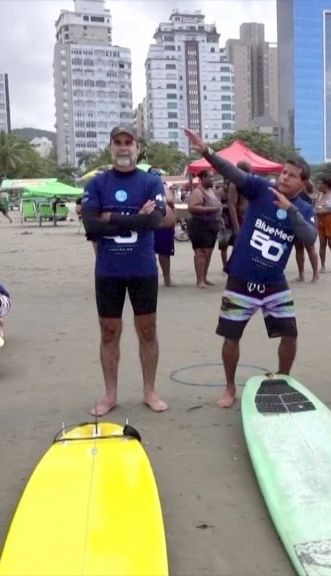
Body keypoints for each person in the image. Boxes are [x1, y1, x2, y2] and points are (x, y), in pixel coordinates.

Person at [184, 128, 317, 409]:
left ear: (303, 183)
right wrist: (206, 151)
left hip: (274, 282)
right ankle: (230, 387)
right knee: (231, 336)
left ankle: (283, 379)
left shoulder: (304, 209)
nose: (284, 178)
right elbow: (234, 173)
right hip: (242, 278)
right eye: (283, 172)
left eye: (292, 176)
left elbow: (309, 238)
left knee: (290, 334)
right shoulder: (260, 190)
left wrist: (290, 210)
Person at [81, 125, 168, 415]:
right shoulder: (97, 183)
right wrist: (132, 218)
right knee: (109, 332)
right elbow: (91, 225)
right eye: (117, 142)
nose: (123, 148)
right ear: (111, 148)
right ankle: (110, 395)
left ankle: (149, 391)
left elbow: (155, 221)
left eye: (128, 142)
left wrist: (110, 216)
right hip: (108, 270)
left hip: (142, 268)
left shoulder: (151, 182)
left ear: (137, 148)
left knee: (147, 329)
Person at [187, 170, 224, 288]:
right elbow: (192, 207)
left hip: (212, 226)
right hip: (200, 225)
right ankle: (199, 281)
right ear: (202, 178)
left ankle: (204, 278)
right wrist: (211, 209)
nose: (212, 179)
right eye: (210, 177)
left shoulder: (211, 191)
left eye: (213, 177)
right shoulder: (198, 191)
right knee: (201, 253)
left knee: (208, 253)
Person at [150, 166, 177, 287]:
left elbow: (171, 203)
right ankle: (151, 279)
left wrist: (174, 220)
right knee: (150, 254)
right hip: (152, 225)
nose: (157, 176)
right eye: (155, 174)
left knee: (165, 254)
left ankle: (167, 278)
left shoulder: (165, 187)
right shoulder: (146, 188)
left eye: (158, 174)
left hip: (166, 226)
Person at [294, 179, 321, 283]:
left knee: (310, 247)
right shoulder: (294, 184)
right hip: (296, 215)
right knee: (298, 247)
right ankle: (301, 274)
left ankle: (316, 274)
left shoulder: (307, 183)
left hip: (307, 215)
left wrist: (302, 189)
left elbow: (313, 196)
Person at [314, 176, 331, 273]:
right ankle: (323, 266)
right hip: (320, 221)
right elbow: (315, 207)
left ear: (325, 185)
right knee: (322, 243)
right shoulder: (319, 195)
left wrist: (327, 211)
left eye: (319, 184)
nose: (318, 185)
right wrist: (317, 211)